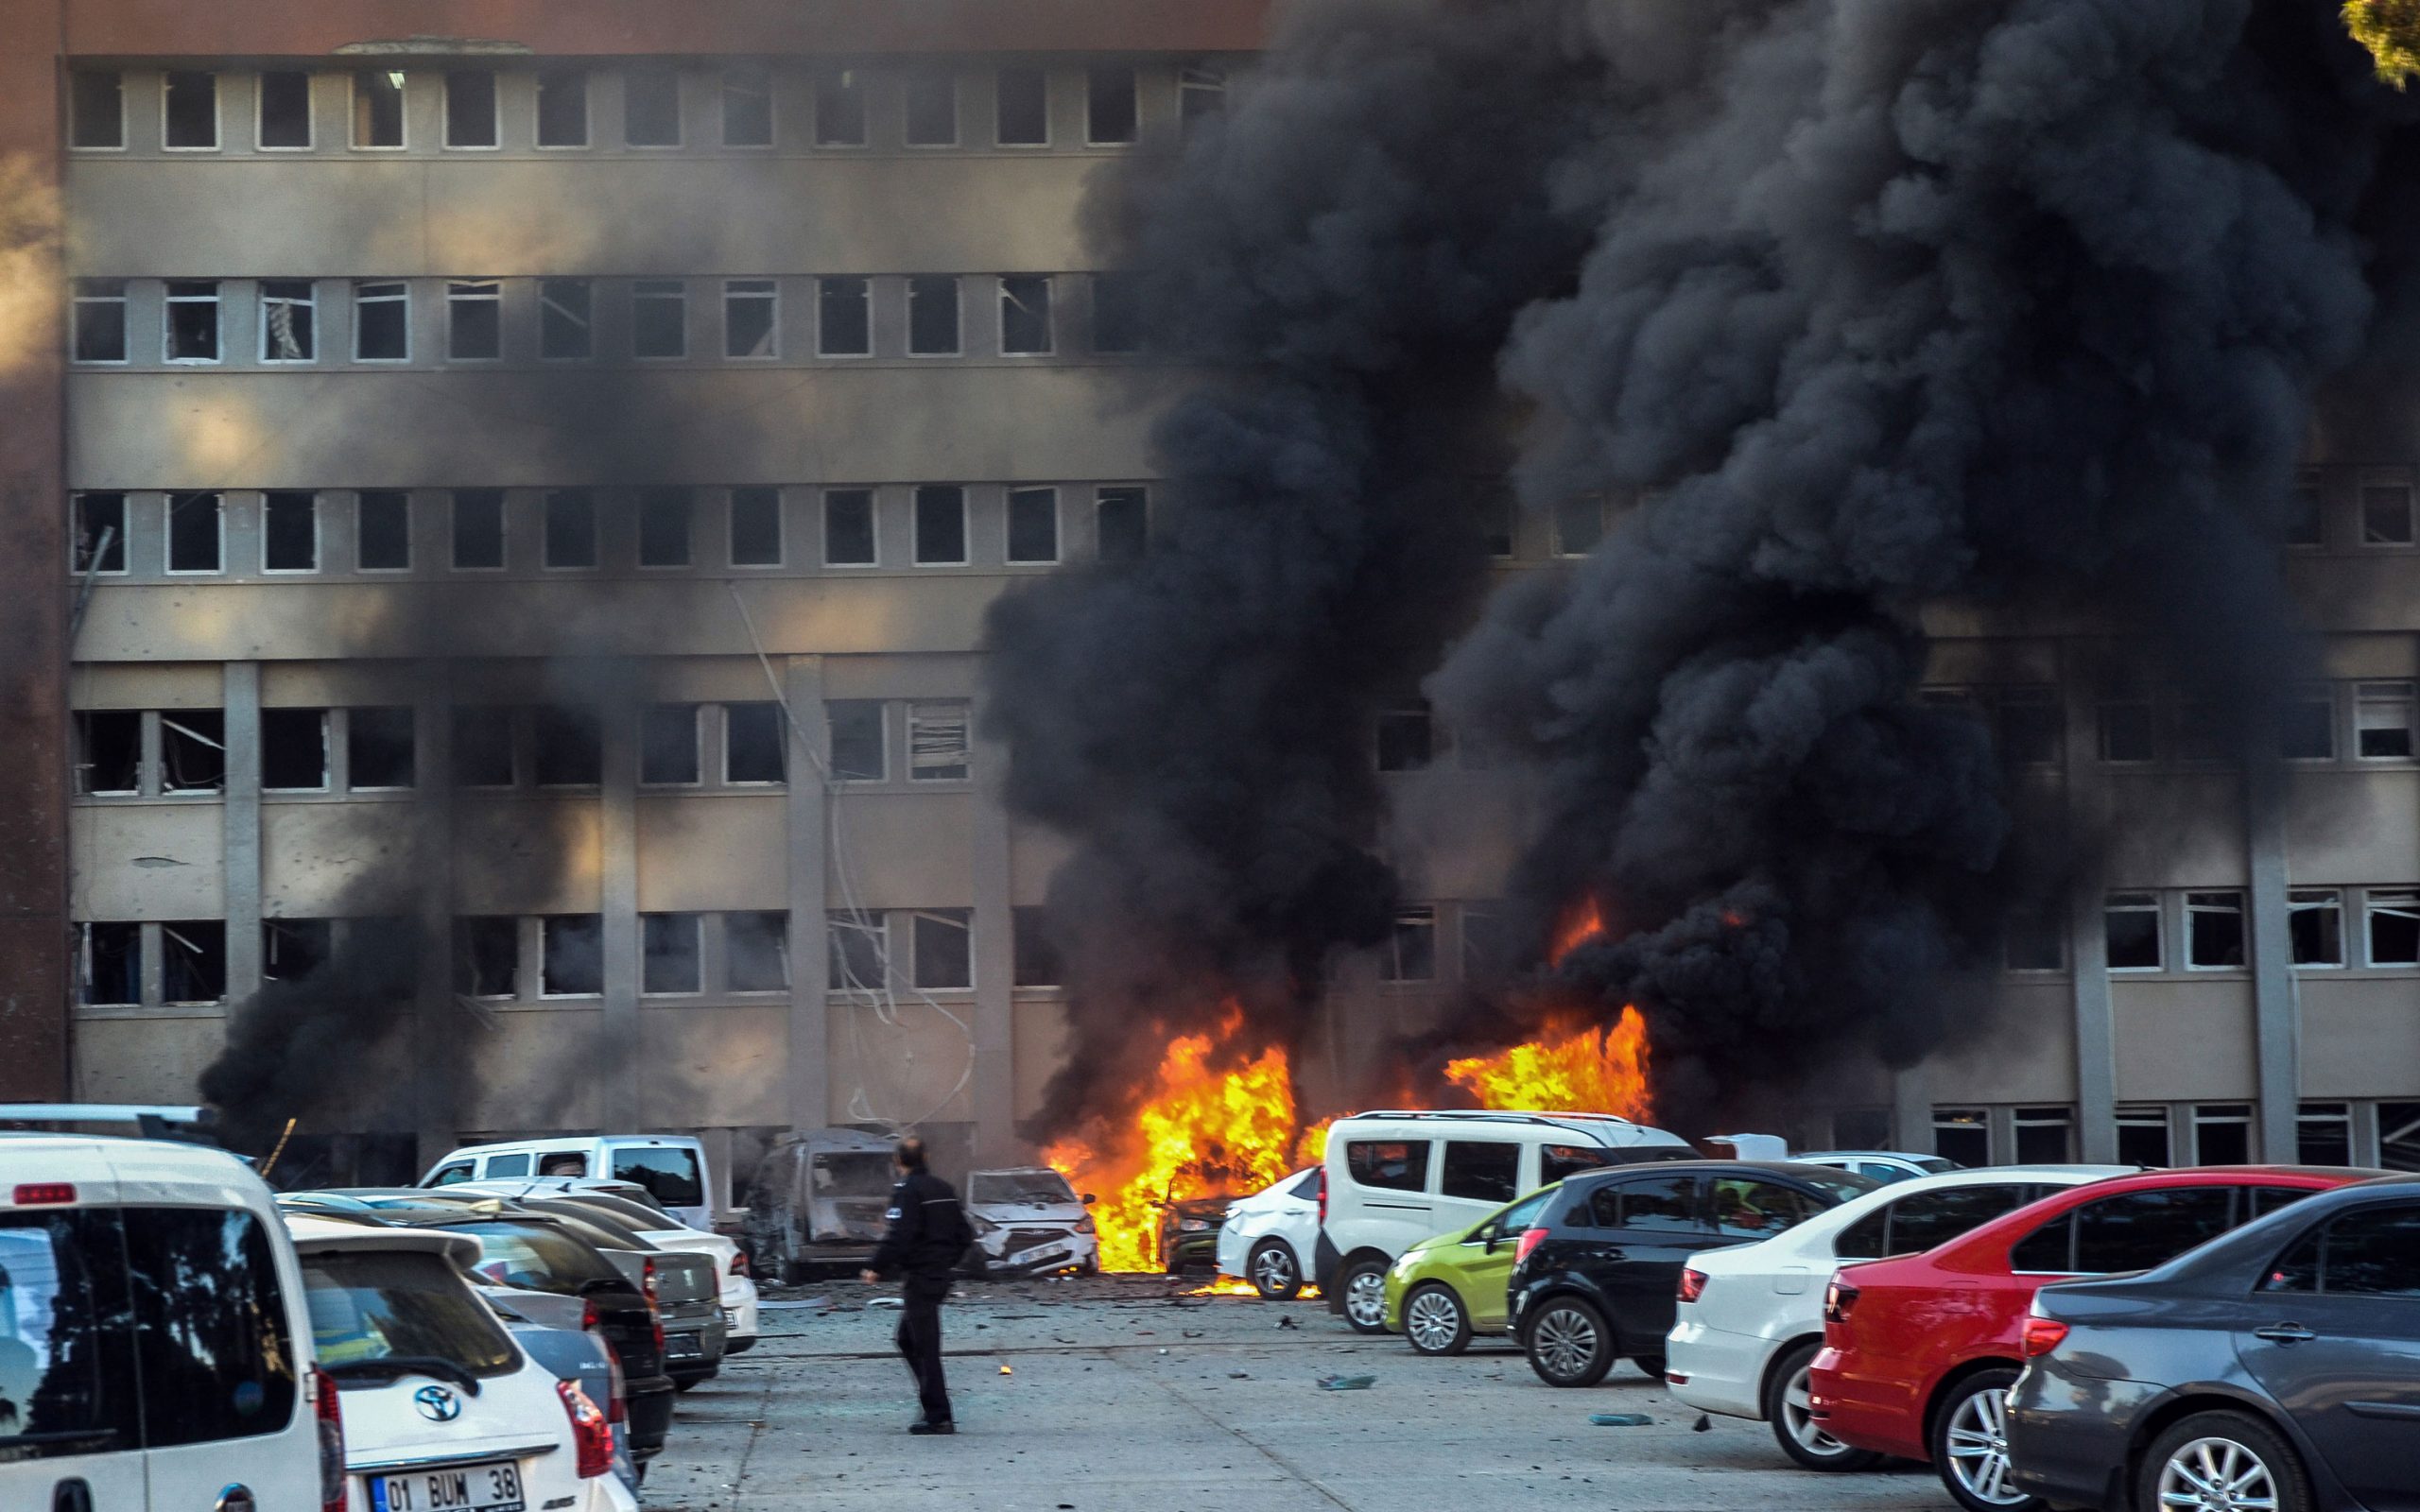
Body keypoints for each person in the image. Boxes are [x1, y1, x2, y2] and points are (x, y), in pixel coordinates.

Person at [859, 1136, 968, 1435]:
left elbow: (899, 1235)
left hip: (921, 1278)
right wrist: (946, 1261)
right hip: (938, 1276)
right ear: (927, 1156)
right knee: (907, 1339)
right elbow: (965, 1235)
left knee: (924, 1346)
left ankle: (938, 1416)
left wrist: (875, 1268)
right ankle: (931, 1400)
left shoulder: (907, 1191)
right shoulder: (943, 1189)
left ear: (898, 1162)